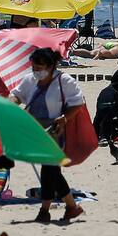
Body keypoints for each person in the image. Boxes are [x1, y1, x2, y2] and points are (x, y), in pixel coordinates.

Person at [9, 48, 84, 223]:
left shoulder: (64, 81)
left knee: (49, 168)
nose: (36, 71)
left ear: (50, 66)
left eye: (39, 67)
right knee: (52, 170)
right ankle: (72, 207)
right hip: (34, 130)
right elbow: (17, 95)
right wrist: (10, 104)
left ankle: (45, 210)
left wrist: (65, 118)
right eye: (33, 67)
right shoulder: (30, 80)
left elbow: (78, 103)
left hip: (56, 130)